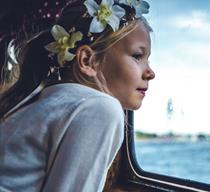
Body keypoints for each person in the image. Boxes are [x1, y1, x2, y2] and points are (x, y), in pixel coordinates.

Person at [0, 0, 155, 191]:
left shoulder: (45, 100)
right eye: (137, 56)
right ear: (88, 60)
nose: (151, 73)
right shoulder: (100, 107)